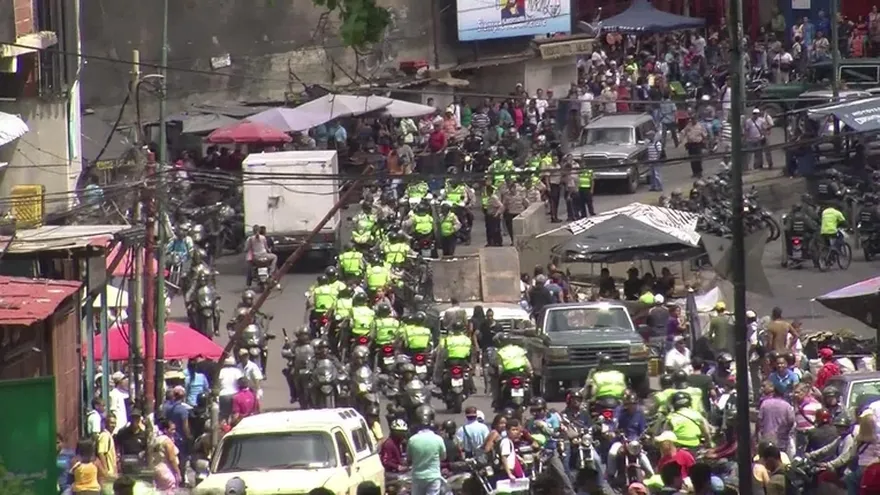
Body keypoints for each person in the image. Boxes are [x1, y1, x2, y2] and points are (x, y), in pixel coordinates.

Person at [407, 405, 446, 495]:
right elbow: (443, 457)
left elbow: (409, 459)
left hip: (417, 477)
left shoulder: (412, 440)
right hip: (433, 477)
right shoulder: (438, 439)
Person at [757, 380, 795, 454]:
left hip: (767, 438)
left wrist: (757, 434)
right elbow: (791, 421)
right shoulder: (787, 406)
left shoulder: (765, 403)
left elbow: (759, 420)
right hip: (781, 439)